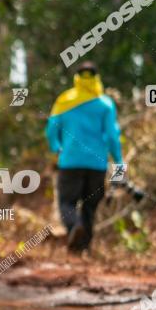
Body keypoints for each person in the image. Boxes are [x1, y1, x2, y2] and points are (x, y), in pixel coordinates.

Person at [45, 61, 123, 252]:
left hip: (70, 161)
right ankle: (82, 249)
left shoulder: (65, 100)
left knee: (66, 203)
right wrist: (119, 161)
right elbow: (113, 136)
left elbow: (51, 130)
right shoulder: (105, 104)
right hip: (97, 164)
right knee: (90, 207)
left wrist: (57, 148)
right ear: (97, 78)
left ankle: (74, 227)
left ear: (77, 78)